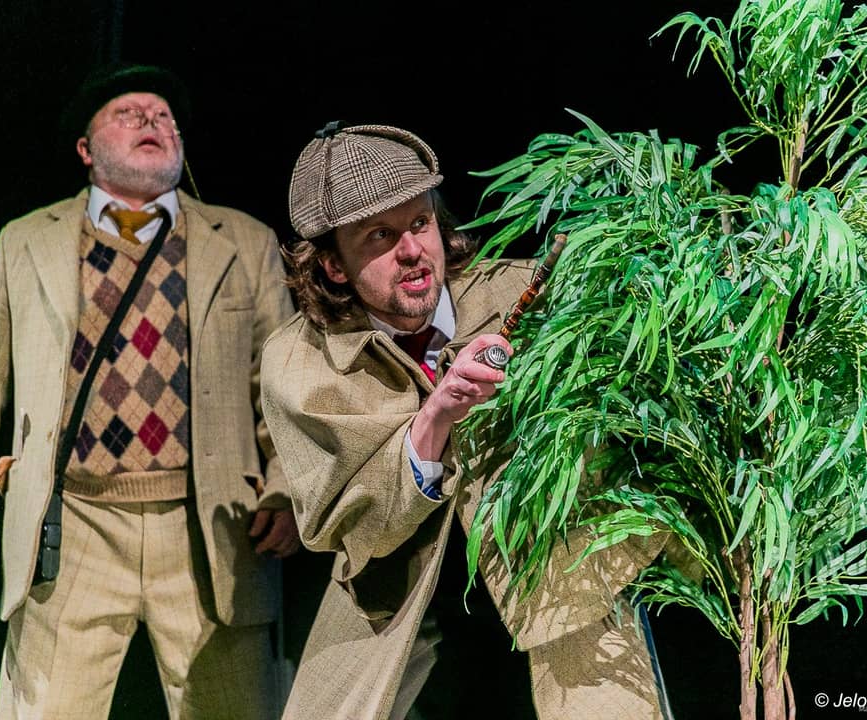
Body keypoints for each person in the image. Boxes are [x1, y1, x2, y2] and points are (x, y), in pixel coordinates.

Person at [0, 63, 299, 719]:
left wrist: (287, 486)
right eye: (129, 113)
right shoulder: (26, 241)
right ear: (86, 149)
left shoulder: (244, 241)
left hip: (210, 530)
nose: (152, 122)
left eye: (164, 116)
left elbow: (283, 388)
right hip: (73, 526)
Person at [261, 123, 671, 720]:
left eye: (420, 223)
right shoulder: (301, 363)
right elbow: (348, 528)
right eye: (380, 235)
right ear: (334, 265)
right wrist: (436, 417)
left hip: (561, 587)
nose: (412, 251)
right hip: (400, 606)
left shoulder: (524, 293)